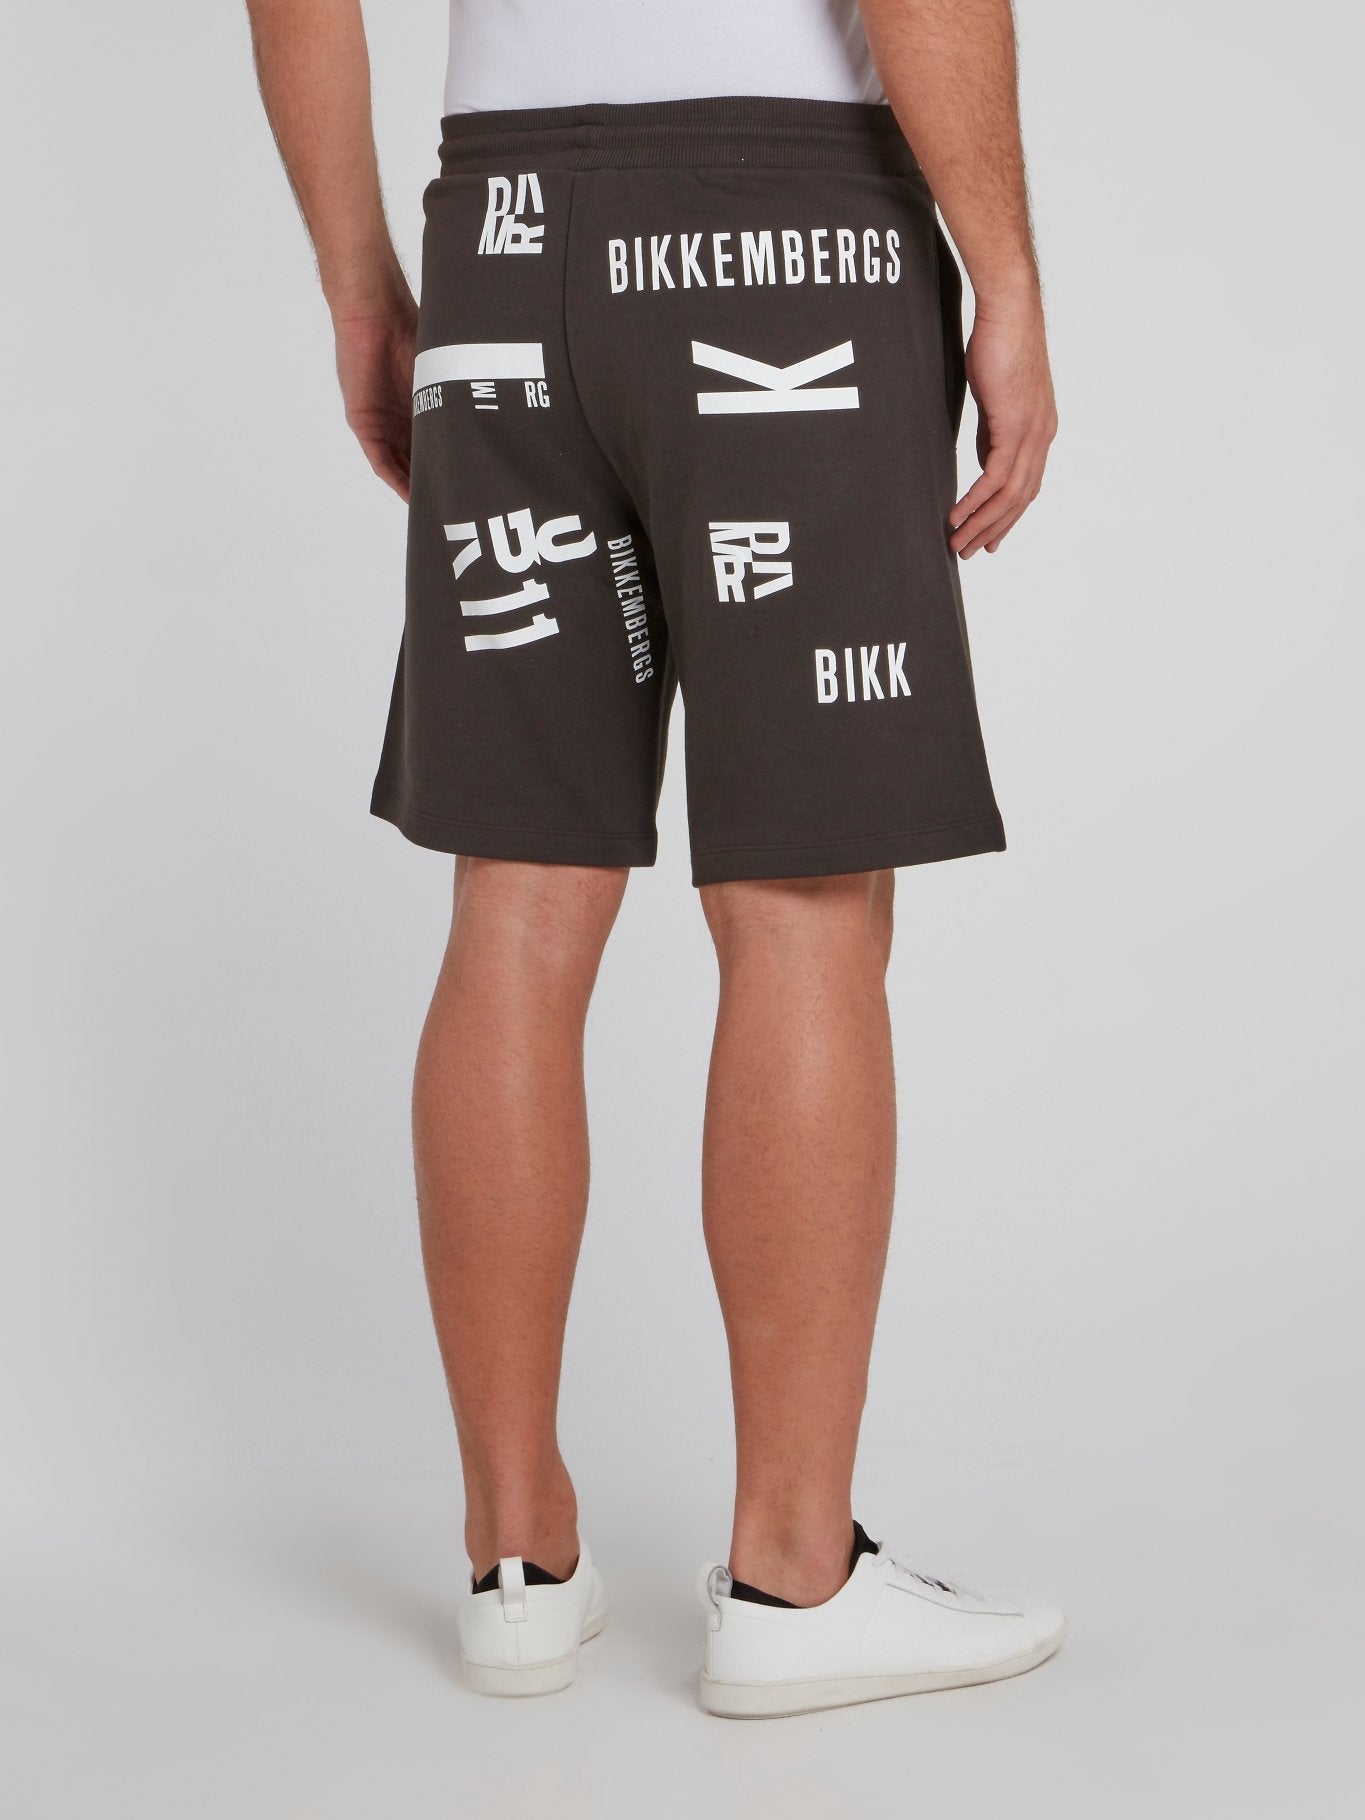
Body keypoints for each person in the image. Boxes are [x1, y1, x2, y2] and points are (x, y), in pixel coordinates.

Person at [246, 0, 1063, 1718]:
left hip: (501, 235)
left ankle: (515, 1559)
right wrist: (1006, 277)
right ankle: (792, 1577)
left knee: (515, 899)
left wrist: (361, 279)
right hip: (786, 228)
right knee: (803, 902)